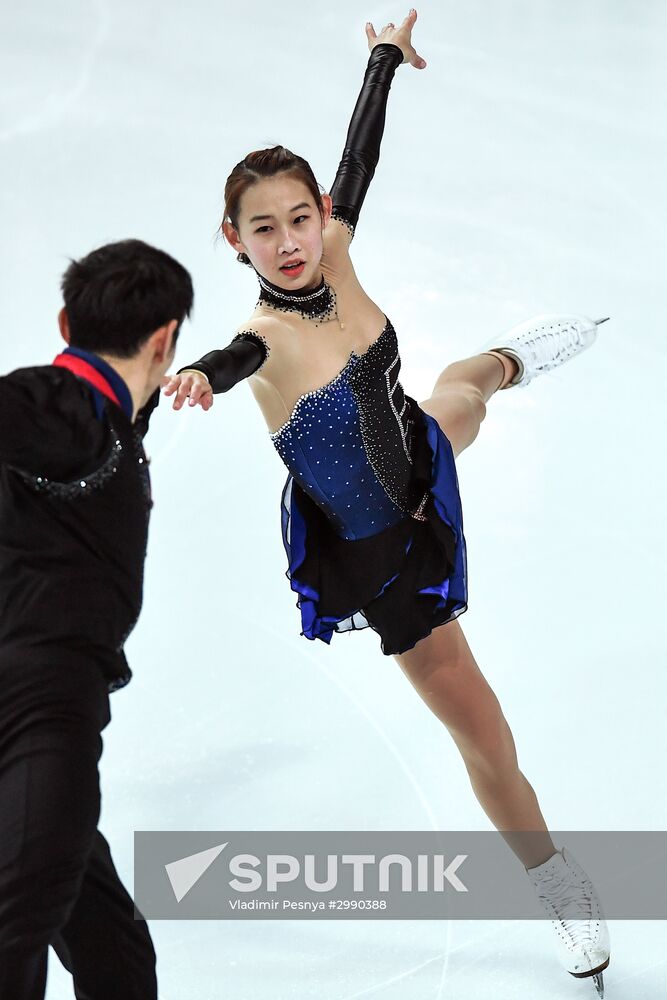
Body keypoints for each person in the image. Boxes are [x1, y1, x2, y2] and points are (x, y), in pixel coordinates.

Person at [163, 10, 609, 994]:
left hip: (415, 445)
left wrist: (380, 59)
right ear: (231, 240)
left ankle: (508, 356)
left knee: (462, 397)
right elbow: (233, 359)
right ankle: (554, 878)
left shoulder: (341, 248)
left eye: (298, 218)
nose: (287, 241)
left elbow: (357, 155)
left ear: (318, 214)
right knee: (486, 734)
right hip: (383, 552)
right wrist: (196, 371)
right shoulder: (263, 338)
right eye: (262, 228)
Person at [0, 238, 193, 999]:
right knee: (16, 925)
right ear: (162, 340)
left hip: (46, 705)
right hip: (37, 710)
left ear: (64, 319)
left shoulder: (106, 417)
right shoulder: (58, 408)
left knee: (110, 941)